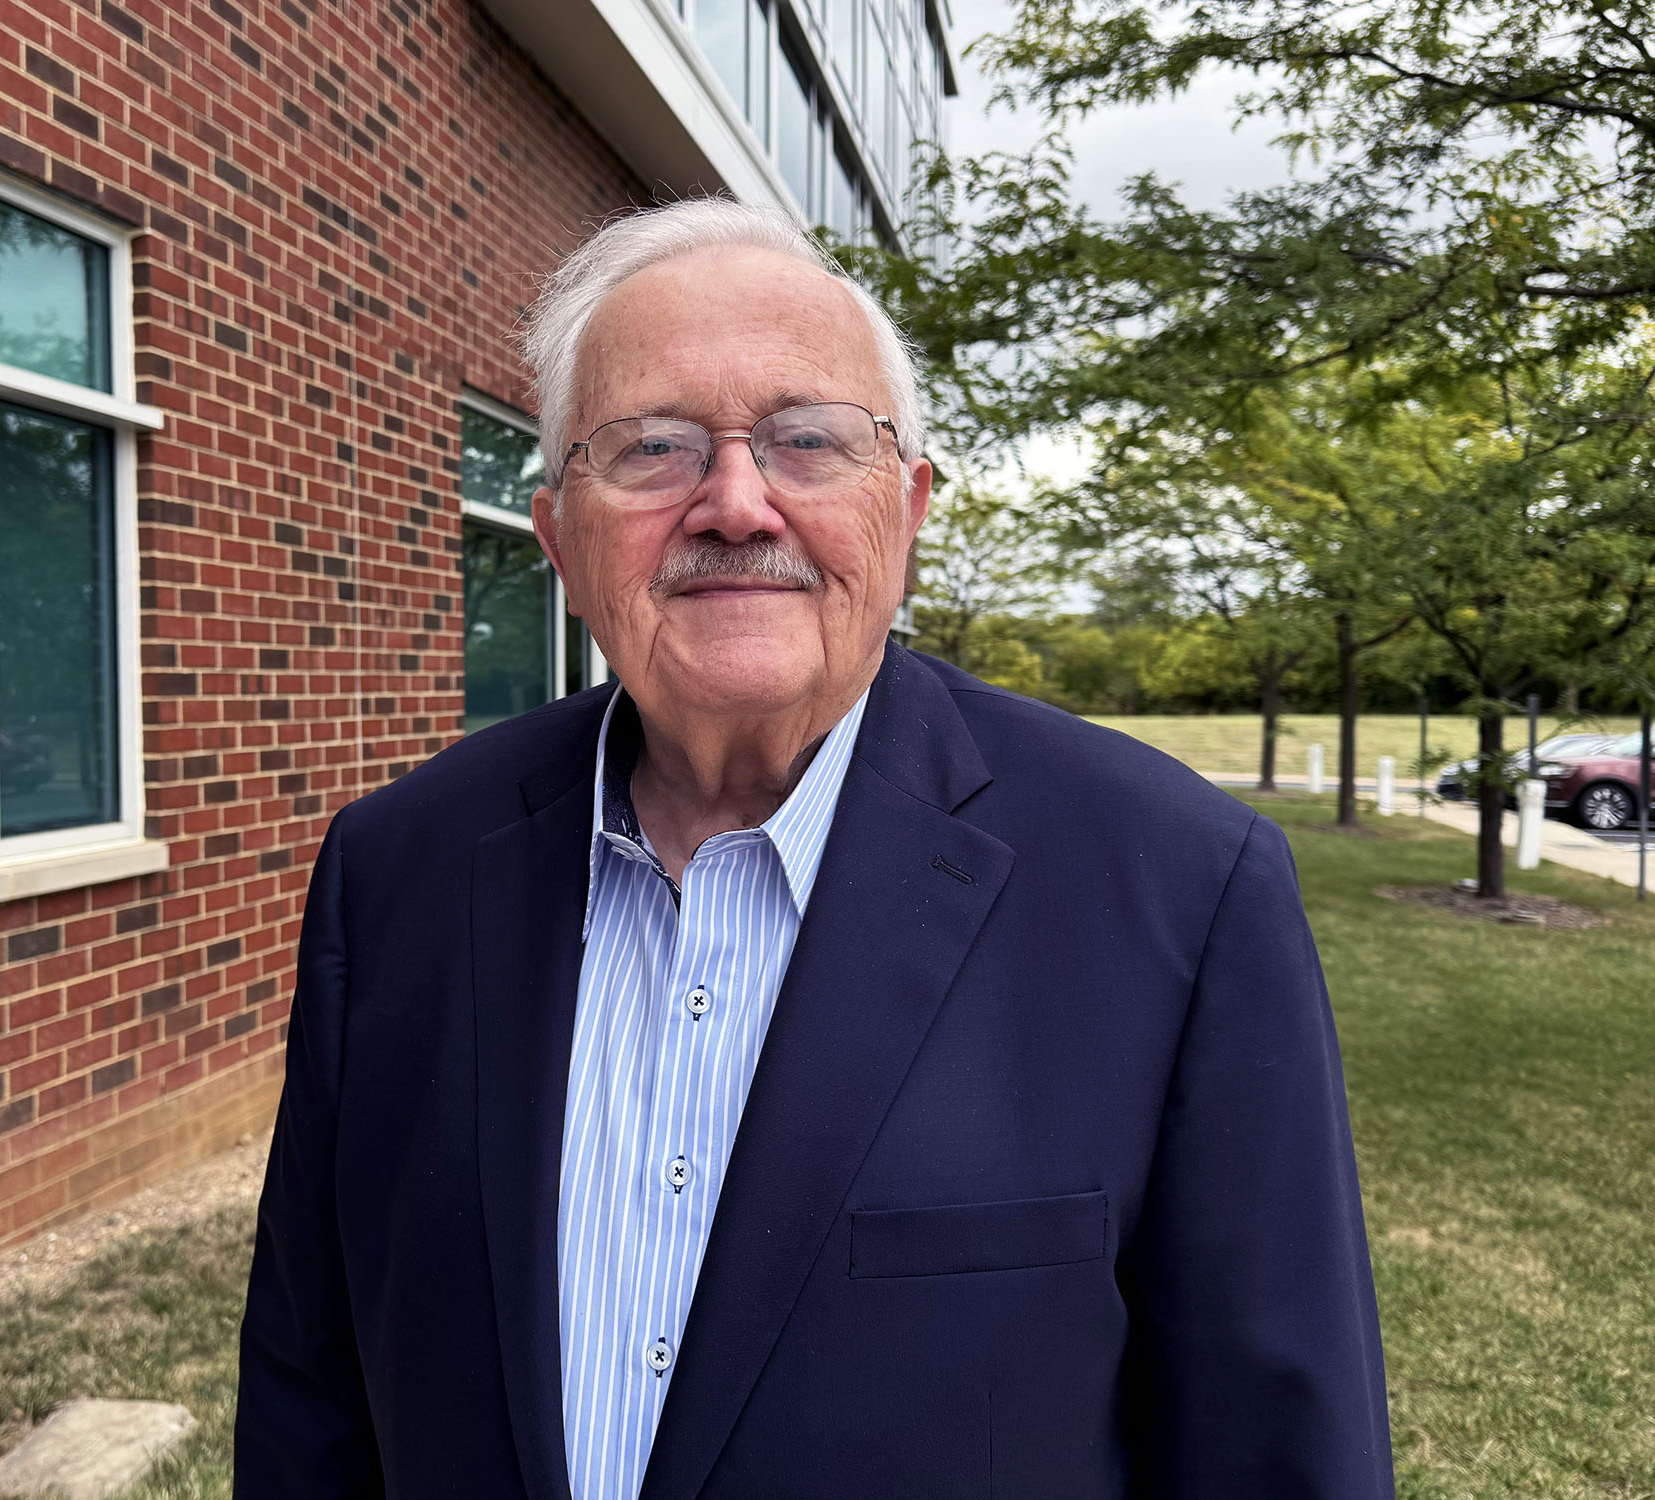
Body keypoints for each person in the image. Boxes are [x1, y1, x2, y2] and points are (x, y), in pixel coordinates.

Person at [234, 198, 1394, 1499]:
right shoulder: (393, 871)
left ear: (905, 509)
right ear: (559, 535)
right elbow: (309, 1395)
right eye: (652, 447)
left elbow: (1283, 1459)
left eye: (808, 440)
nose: (735, 503)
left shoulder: (1179, 891)